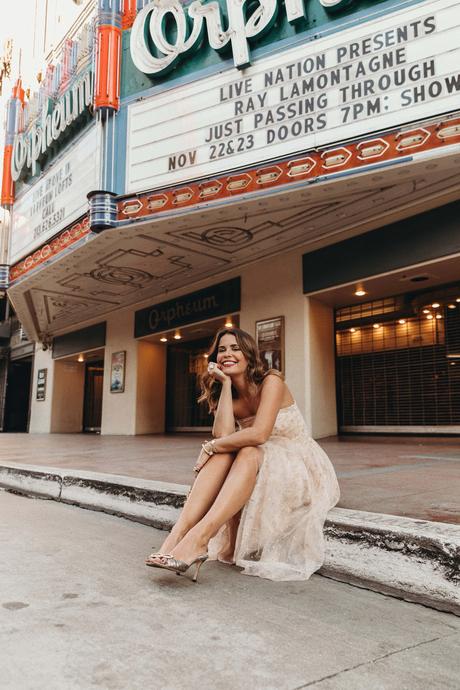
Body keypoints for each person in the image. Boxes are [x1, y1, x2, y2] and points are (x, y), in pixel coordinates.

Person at [145, 327, 340, 582]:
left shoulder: (272, 381)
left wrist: (210, 447)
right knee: (226, 453)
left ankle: (200, 539)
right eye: (222, 349)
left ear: (249, 355)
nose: (228, 354)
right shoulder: (226, 395)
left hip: (298, 461)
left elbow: (259, 434)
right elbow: (223, 435)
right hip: (261, 459)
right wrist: (225, 385)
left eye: (235, 348)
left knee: (245, 449)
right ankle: (176, 537)